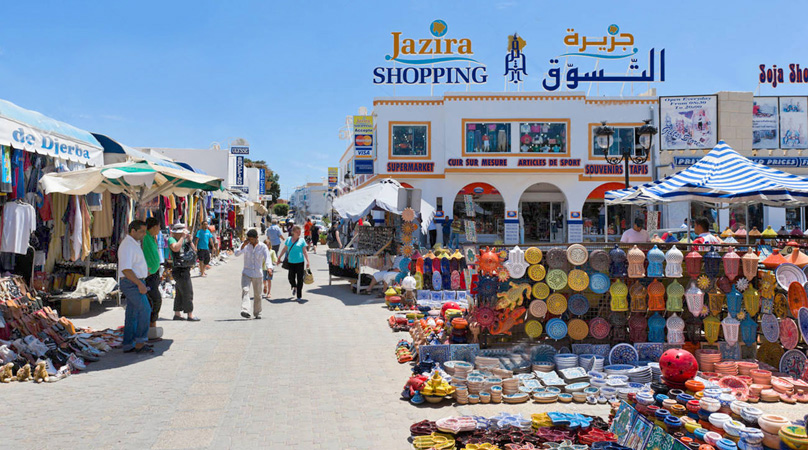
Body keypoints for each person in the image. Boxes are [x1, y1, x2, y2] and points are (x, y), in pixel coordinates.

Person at [119, 220, 153, 354]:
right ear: (133, 231)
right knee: (145, 309)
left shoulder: (133, 244)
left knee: (132, 314)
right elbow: (126, 270)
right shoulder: (128, 245)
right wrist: (139, 284)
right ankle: (140, 341)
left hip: (134, 281)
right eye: (141, 231)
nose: (144, 234)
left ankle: (129, 343)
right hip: (132, 283)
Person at [234, 229, 270, 319]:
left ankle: (257, 312)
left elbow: (267, 258)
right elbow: (236, 254)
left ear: (257, 238)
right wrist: (243, 245)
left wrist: (269, 267)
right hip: (246, 272)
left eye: (252, 239)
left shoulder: (263, 247)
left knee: (258, 295)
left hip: (257, 273)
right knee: (245, 290)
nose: (250, 241)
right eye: (249, 239)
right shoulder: (246, 246)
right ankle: (245, 310)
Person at [169, 223, 199, 321]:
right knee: (188, 291)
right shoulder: (172, 239)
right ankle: (190, 314)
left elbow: (194, 251)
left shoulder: (185, 240)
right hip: (179, 269)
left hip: (185, 268)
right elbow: (175, 248)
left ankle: (177, 314)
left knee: (180, 292)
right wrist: (182, 238)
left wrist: (190, 241)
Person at [142, 217, 163, 340]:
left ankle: (152, 329)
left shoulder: (151, 238)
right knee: (155, 300)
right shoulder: (145, 237)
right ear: (154, 227)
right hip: (148, 276)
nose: (160, 230)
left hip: (154, 275)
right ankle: (150, 328)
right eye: (159, 227)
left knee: (154, 301)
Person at [278, 225, 310, 302]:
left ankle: (299, 295)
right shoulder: (288, 240)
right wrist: (279, 257)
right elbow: (285, 249)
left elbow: (305, 251)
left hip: (300, 262)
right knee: (290, 277)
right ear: (293, 232)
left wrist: (308, 261)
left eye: (299, 232)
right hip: (291, 262)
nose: (299, 233)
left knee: (300, 279)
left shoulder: (302, 240)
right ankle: (294, 286)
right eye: (297, 232)